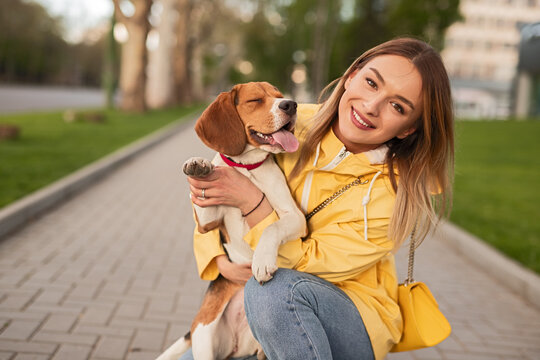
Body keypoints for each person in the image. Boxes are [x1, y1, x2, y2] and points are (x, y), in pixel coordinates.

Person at [185, 37, 454, 360]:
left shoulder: (396, 194)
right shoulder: (291, 127)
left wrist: (252, 203)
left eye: (398, 106)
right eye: (371, 83)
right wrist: (217, 259)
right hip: (258, 299)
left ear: (408, 129)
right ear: (351, 75)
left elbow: (309, 265)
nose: (371, 106)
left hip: (352, 317)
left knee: (274, 293)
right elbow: (218, 183)